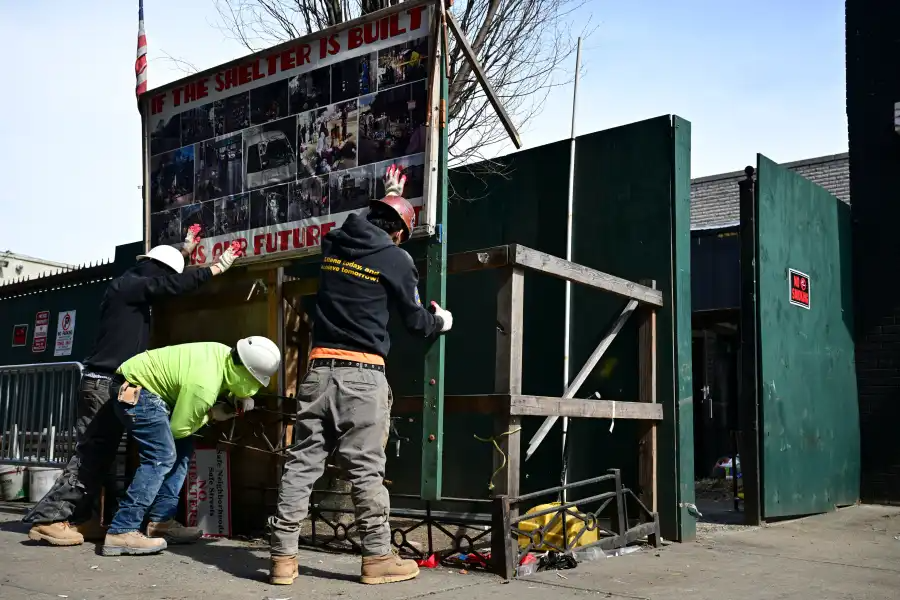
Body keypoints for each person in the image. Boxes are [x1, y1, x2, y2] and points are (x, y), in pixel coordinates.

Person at [268, 164, 453, 586]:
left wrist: (387, 195)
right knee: (366, 469)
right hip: (361, 375)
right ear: (401, 234)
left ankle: (282, 558)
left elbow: (359, 226)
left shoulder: (334, 247)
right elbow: (415, 321)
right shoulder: (396, 258)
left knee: (302, 464)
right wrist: (440, 320)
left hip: (318, 371)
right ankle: (376, 557)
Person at [24, 230, 239, 547]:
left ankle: (83, 520)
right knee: (92, 454)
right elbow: (167, 284)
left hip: (112, 383)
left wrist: (185, 250)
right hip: (102, 382)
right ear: (158, 269)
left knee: (108, 455)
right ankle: (51, 520)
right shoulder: (132, 283)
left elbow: (164, 274)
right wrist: (216, 268)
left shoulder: (134, 284)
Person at [101, 336, 281, 556]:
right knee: (161, 456)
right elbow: (179, 429)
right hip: (137, 390)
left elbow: (221, 383)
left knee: (182, 450)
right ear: (244, 370)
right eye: (253, 380)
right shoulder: (203, 386)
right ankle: (122, 529)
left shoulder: (224, 354)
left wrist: (233, 396)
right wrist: (212, 414)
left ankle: (161, 522)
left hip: (145, 387)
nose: (253, 388)